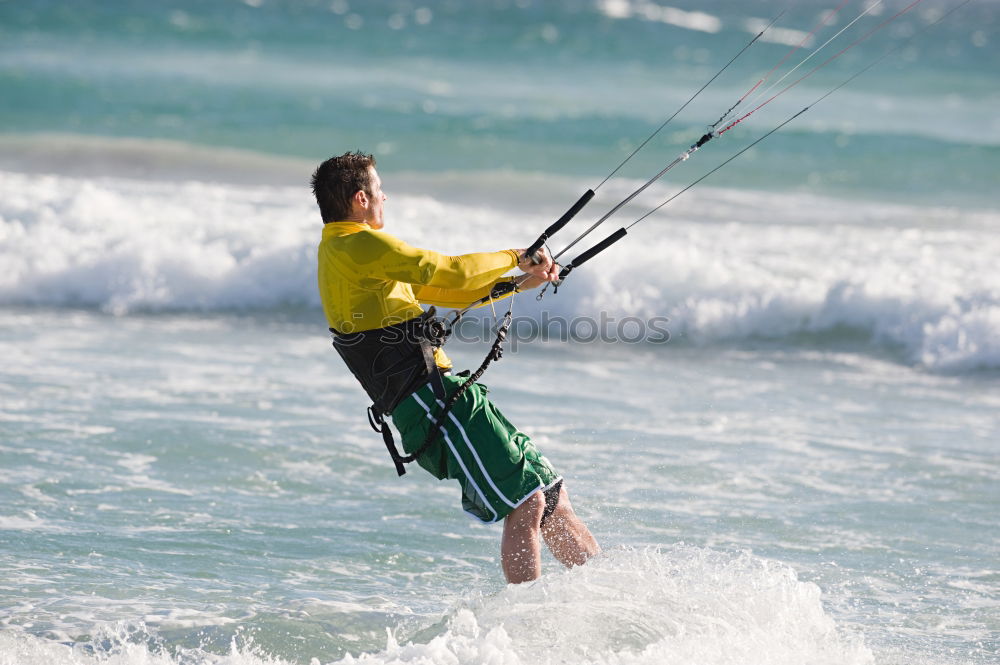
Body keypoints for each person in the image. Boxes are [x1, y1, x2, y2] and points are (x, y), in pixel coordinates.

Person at [312, 151, 600, 583]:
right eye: (379, 189)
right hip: (429, 401)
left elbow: (440, 289)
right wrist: (514, 256)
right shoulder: (356, 243)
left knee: (549, 493)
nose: (384, 196)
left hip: (443, 394)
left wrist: (520, 281)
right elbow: (443, 269)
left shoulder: (346, 253)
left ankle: (606, 592)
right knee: (527, 500)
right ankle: (524, 623)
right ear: (360, 199)